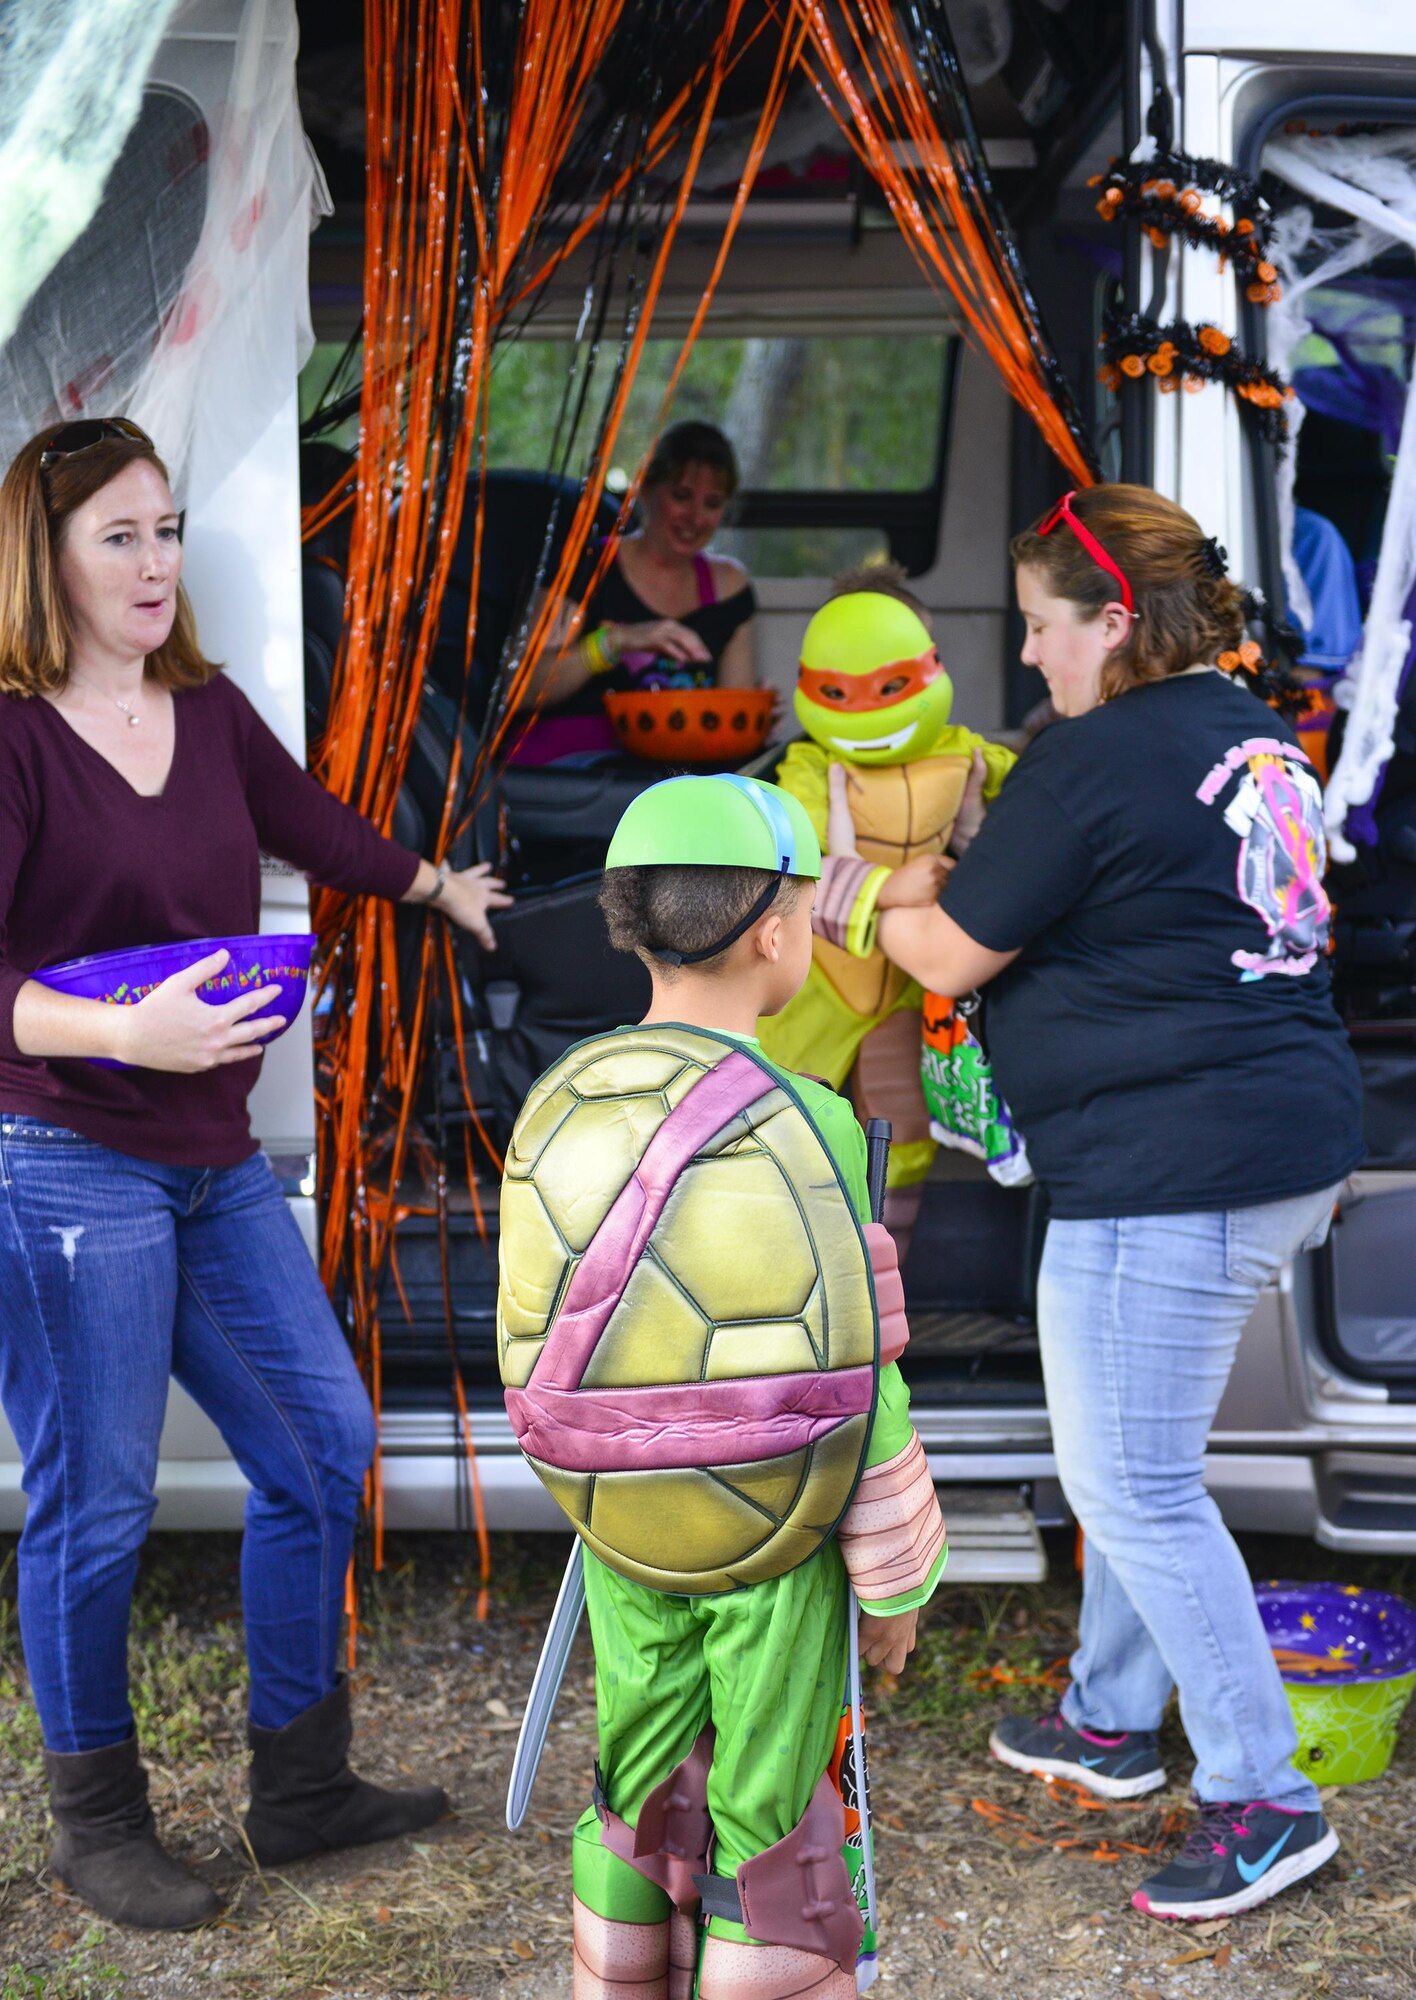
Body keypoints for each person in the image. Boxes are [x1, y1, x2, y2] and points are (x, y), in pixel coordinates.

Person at [0, 418, 512, 1929]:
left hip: (209, 1163)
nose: (158, 563)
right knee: (95, 1506)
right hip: (60, 1159)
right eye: (120, 538)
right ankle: (99, 1827)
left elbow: (311, 827)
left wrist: (436, 886)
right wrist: (123, 1031)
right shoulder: (14, 732)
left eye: (166, 531)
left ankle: (299, 1790)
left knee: (320, 1442)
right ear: (47, 556)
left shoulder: (204, 708)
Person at [871, 484, 1365, 1923]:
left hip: (1177, 1167)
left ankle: (1267, 1803)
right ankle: (1103, 1717)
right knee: (1143, 1464)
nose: (1029, 657)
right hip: (1274, 1137)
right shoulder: (1252, 732)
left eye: (1043, 628)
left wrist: (884, 890)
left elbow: (949, 956)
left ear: (1117, 622)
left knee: (1132, 1484)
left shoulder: (1094, 757)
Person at [496, 774, 948, 1998]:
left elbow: (535, 1339)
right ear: (775, 931)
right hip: (776, 1536)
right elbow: (867, 1380)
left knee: (637, 1773)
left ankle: (621, 1972)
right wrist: (895, 1576)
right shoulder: (810, 1122)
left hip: (624, 1531)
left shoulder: (563, 1106)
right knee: (772, 1797)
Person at [758, 575, 1014, 1259]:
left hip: (904, 984)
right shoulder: (811, 766)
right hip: (815, 988)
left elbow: (1033, 794)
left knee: (901, 1133)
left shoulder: (962, 752)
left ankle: (884, 1275)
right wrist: (889, 886)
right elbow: (794, 854)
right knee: (791, 1129)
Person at [513, 420, 759, 763]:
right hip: (575, 766)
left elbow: (732, 706)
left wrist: (750, 718)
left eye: (712, 503)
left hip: (677, 770)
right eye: (681, 496)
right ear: (645, 489)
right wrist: (611, 643)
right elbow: (523, 688)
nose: (695, 517)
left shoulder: (729, 586)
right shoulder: (585, 566)